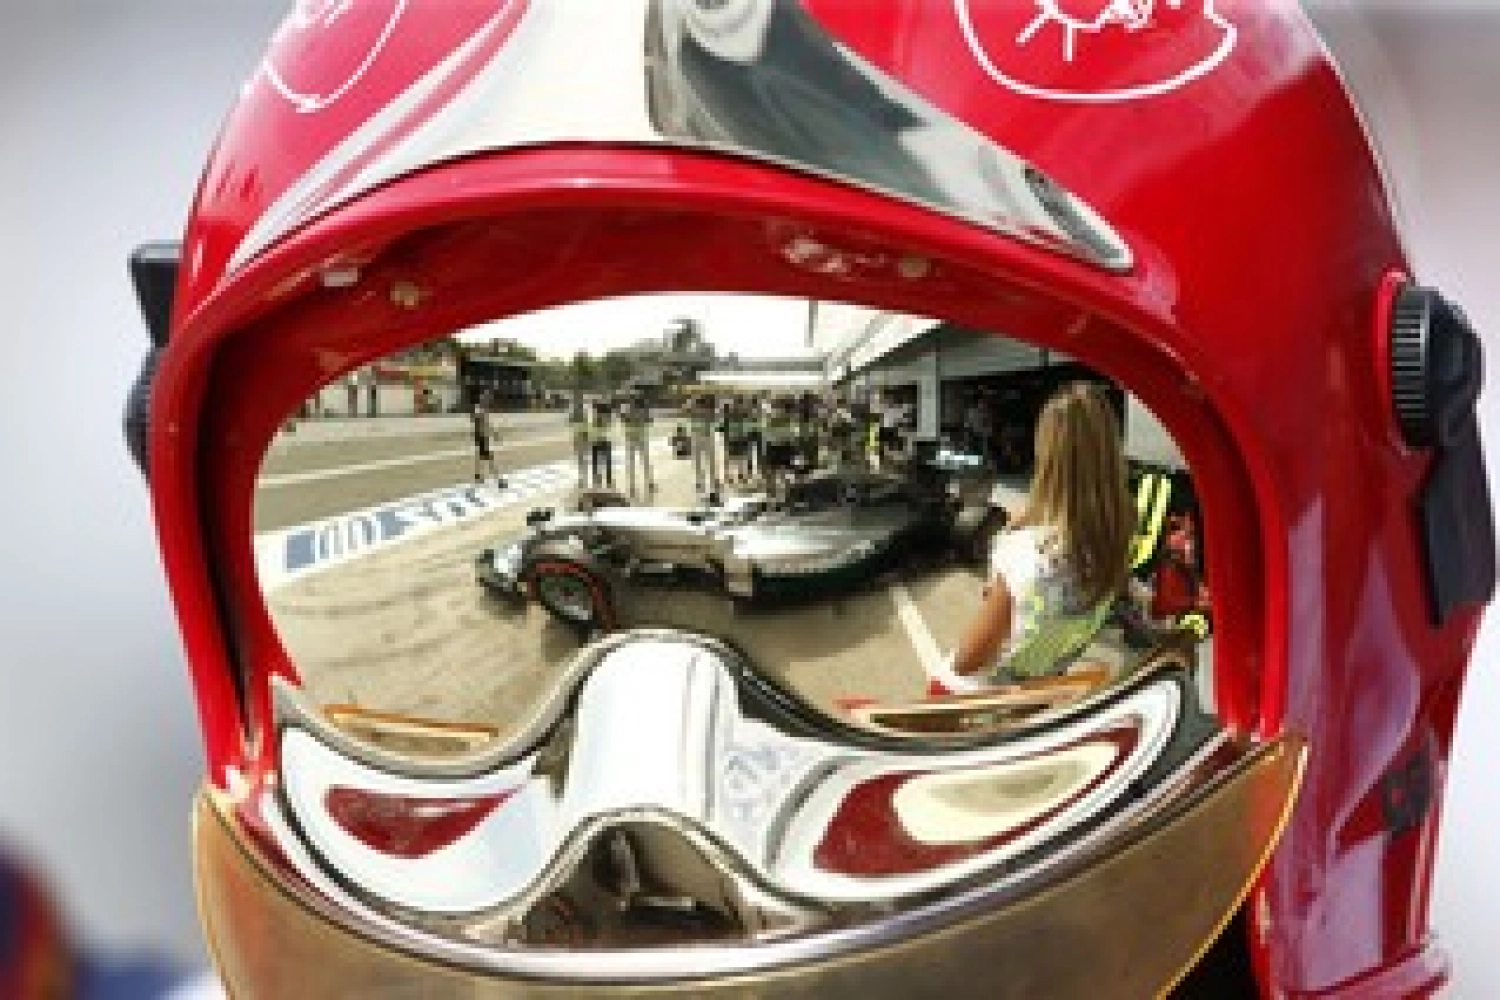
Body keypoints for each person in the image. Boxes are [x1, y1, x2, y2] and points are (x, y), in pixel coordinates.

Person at [949, 382, 1132, 685]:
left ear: (1047, 453)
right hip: (1052, 680)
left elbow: (967, 661)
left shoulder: (1023, 553)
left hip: (1002, 697)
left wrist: (1001, 564)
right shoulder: (1115, 536)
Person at [471, 391, 507, 488]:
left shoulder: (481, 409)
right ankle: (499, 480)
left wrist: (495, 433)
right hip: (482, 437)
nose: (489, 401)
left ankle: (478, 476)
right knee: (491, 458)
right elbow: (482, 423)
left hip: (481, 436)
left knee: (480, 456)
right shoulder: (479, 409)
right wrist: (494, 434)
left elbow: (485, 423)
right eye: (487, 398)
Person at [621, 394, 655, 496]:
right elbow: (624, 419)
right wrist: (640, 417)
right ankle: (641, 484)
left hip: (635, 437)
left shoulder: (636, 408)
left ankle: (644, 483)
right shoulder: (627, 408)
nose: (632, 400)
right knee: (641, 461)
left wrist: (638, 416)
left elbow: (649, 420)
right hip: (635, 437)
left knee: (640, 461)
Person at [688, 394, 720, 495]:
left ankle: (710, 480)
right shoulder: (693, 410)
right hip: (698, 436)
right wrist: (692, 401)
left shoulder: (709, 411)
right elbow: (685, 410)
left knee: (708, 460)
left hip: (705, 436)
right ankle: (702, 480)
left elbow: (714, 419)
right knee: (701, 461)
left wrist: (706, 413)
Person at [589, 398, 616, 488]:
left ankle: (599, 481)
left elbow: (595, 426)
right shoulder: (606, 417)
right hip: (603, 441)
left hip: (599, 441)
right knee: (606, 462)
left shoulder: (598, 417)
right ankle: (607, 481)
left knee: (597, 462)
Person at [567, 395, 591, 484]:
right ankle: (582, 475)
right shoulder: (576, 412)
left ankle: (583, 475)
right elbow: (570, 422)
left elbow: (585, 424)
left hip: (581, 436)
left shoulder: (581, 412)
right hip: (578, 436)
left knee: (582, 457)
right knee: (580, 457)